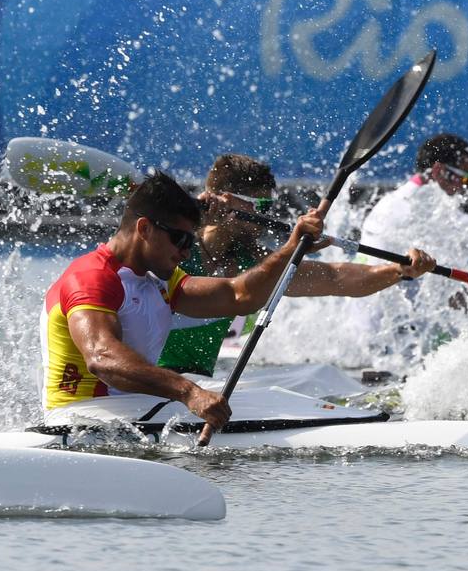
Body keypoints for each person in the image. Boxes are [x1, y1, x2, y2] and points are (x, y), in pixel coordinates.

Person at [40, 172, 328, 428]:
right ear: (144, 229)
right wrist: (189, 392)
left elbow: (239, 296)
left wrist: (291, 248)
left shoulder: (159, 279)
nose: (187, 253)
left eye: (191, 242)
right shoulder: (92, 277)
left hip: (134, 410)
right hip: (82, 419)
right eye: (180, 240)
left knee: (268, 400)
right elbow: (103, 358)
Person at [157, 154, 434, 376]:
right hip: (143, 387)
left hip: (191, 385)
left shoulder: (252, 261)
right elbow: (135, 223)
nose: (268, 215)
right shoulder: (170, 247)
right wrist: (192, 213)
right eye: (261, 206)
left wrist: (400, 271)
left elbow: (334, 278)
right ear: (227, 201)